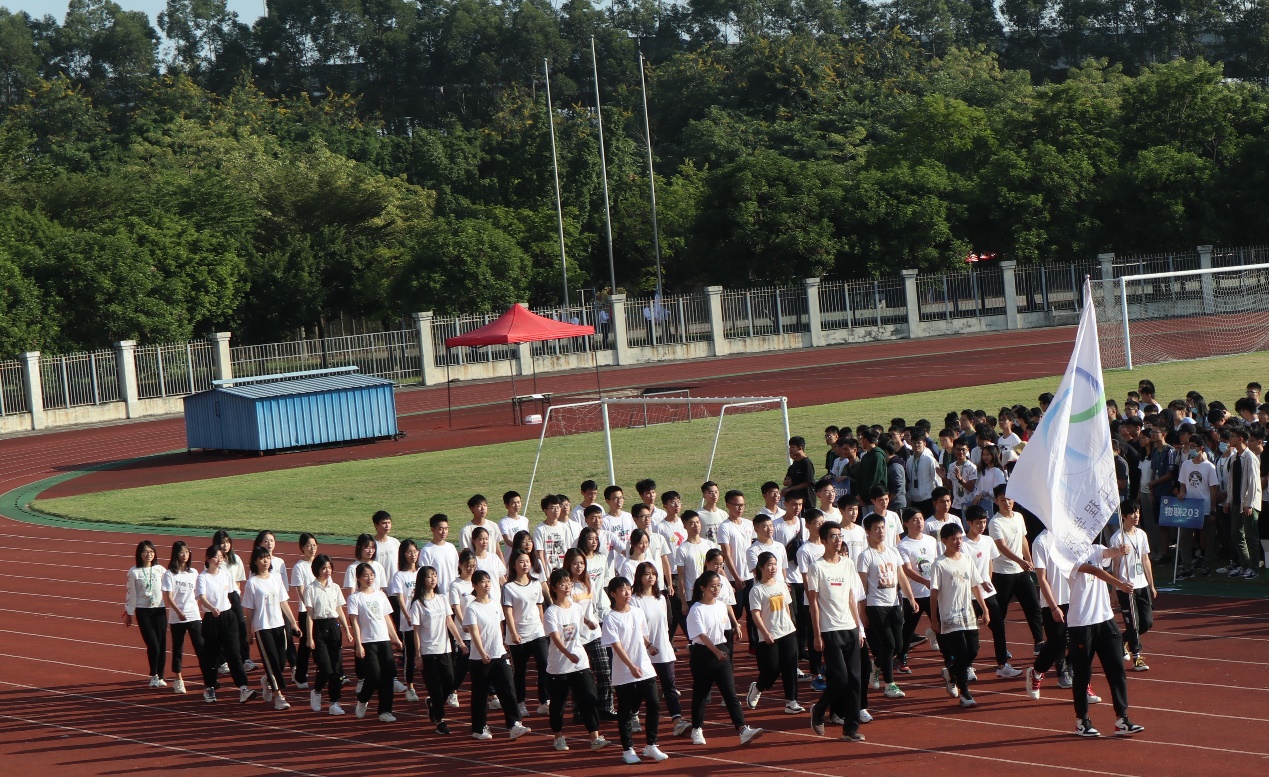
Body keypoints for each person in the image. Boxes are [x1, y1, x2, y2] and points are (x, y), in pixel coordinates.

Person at [1066, 538, 1143, 737]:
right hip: (1081, 622)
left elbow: (1108, 553)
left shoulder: (1095, 549)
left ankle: (1122, 719)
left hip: (1105, 619)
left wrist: (1119, 550)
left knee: (1117, 669)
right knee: (1083, 674)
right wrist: (1120, 585)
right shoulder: (1066, 554)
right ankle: (1082, 721)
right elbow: (1094, 571)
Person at [685, 570, 764, 747]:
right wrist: (717, 652)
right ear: (703, 588)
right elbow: (702, 635)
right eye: (712, 586)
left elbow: (724, 631)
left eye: (718, 586)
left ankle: (743, 729)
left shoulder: (721, 606)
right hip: (703, 654)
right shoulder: (696, 609)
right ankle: (697, 729)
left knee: (730, 694)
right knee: (701, 694)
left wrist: (727, 647)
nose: (716, 589)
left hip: (721, 651)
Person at [806, 521, 865, 742]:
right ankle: (819, 709)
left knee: (855, 679)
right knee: (839, 678)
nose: (838, 540)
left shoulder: (848, 564)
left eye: (840, 536)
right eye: (833, 536)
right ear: (823, 541)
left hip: (850, 627)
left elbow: (851, 598)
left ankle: (851, 728)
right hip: (830, 629)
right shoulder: (817, 567)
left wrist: (859, 627)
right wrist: (817, 634)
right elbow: (813, 603)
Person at [543, 568, 610, 752]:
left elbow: (581, 617)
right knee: (558, 704)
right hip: (559, 666)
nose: (567, 587)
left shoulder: (576, 607)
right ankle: (558, 736)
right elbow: (556, 638)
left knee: (589, 698)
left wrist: (589, 622)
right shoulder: (551, 612)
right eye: (562, 584)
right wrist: (568, 654)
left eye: (568, 583)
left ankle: (595, 737)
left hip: (580, 662)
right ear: (554, 588)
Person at [603, 576, 668, 764]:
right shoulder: (610, 618)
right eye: (622, 590)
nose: (627, 593)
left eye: (628, 589)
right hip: (624, 671)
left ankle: (651, 745)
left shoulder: (638, 612)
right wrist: (631, 666)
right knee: (626, 710)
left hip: (644, 666)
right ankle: (628, 749)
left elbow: (642, 634)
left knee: (654, 704)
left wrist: (649, 645)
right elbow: (616, 646)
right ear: (613, 594)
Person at [465, 569, 532, 740]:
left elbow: (500, 627)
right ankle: (479, 728)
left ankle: (514, 724)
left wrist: (503, 646)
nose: (487, 584)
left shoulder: (495, 604)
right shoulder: (472, 608)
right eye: (483, 581)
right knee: (480, 694)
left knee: (508, 688)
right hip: (479, 659)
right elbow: (474, 633)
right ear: (475, 585)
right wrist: (482, 652)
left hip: (499, 654)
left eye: (488, 581)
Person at [856, 513, 917, 700]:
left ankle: (876, 665)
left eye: (882, 527)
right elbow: (862, 587)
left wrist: (911, 598)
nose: (881, 531)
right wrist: (863, 612)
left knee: (898, 645)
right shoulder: (865, 556)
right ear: (868, 532)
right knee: (889, 644)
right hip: (876, 605)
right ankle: (889, 684)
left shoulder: (893, 552)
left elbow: (901, 576)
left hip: (894, 603)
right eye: (876, 528)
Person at [929, 523, 990, 707]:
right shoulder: (939, 564)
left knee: (973, 649)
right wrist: (934, 618)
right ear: (944, 541)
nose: (958, 542)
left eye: (960, 538)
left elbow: (975, 585)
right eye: (954, 539)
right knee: (961, 653)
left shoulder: (967, 559)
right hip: (950, 616)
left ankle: (951, 672)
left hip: (968, 614)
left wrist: (984, 608)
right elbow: (934, 593)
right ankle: (965, 693)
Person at [987, 486, 1045, 675]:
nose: (1007, 502)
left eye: (1009, 499)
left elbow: (1023, 540)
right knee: (999, 615)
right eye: (1002, 499)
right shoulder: (995, 522)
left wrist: (1028, 559)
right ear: (996, 501)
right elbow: (1001, 547)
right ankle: (1001, 650)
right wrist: (1020, 560)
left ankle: (1039, 642)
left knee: (1033, 606)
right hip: (1002, 574)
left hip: (1021, 572)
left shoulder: (1019, 517)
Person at [632, 561, 689, 736]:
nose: (651, 577)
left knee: (669, 685)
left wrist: (666, 644)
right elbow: (636, 628)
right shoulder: (634, 600)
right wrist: (647, 645)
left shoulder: (661, 598)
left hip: (663, 647)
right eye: (647, 574)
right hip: (644, 649)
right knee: (641, 686)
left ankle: (677, 721)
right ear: (639, 577)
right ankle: (633, 714)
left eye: (653, 574)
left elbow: (665, 624)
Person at [194, 544, 255, 704]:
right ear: (208, 558)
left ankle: (243, 688)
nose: (219, 560)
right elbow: (202, 597)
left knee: (234, 654)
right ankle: (210, 687)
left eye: (221, 557)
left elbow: (232, 595)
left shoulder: (226, 574)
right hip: (212, 618)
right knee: (212, 656)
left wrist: (238, 616)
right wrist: (211, 608)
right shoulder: (202, 577)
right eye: (216, 557)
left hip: (228, 617)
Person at [241, 545, 299, 711]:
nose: (265, 561)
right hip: (263, 627)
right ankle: (278, 696)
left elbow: (283, 602)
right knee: (271, 662)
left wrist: (293, 622)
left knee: (280, 662)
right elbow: (249, 610)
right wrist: (249, 632)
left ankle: (267, 680)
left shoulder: (276, 578)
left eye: (267, 557)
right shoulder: (252, 583)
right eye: (261, 558)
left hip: (279, 624)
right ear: (255, 561)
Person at [411, 565, 466, 733]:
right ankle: (440, 721)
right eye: (429, 576)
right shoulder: (418, 604)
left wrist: (460, 642)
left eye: (435, 575)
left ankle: (433, 704)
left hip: (445, 649)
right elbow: (416, 631)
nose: (433, 579)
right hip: (428, 652)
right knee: (435, 688)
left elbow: (449, 621)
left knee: (450, 683)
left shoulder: (442, 598)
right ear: (422, 580)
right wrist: (418, 655)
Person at [346, 562, 403, 722]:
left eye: (372, 575)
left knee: (388, 676)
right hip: (368, 641)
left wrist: (395, 638)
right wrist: (358, 644)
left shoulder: (380, 595)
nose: (369, 578)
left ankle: (385, 711)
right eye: (365, 575)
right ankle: (363, 698)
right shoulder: (354, 598)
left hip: (383, 639)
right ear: (358, 578)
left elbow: (386, 618)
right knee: (374, 676)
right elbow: (355, 622)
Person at [747, 551, 802, 713]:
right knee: (772, 669)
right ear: (761, 567)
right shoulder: (756, 590)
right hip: (769, 635)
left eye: (775, 564)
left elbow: (787, 607)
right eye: (769, 565)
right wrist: (765, 633)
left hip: (787, 631)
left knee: (790, 667)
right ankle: (758, 687)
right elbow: (755, 614)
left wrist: (790, 624)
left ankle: (791, 702)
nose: (773, 568)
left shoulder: (781, 585)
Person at [1024, 529, 1073, 699]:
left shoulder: (1071, 536)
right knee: (1057, 642)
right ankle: (1037, 671)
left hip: (1074, 597)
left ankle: (1073, 673)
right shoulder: (1041, 541)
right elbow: (1041, 578)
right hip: (1054, 601)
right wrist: (1053, 607)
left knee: (1081, 640)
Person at [568, 544, 614, 719]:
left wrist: (592, 621)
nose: (579, 567)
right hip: (574, 633)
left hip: (593, 632)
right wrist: (584, 622)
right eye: (575, 563)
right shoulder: (566, 586)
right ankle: (580, 710)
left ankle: (606, 707)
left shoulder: (589, 582)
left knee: (604, 670)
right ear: (568, 565)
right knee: (579, 673)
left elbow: (591, 607)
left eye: (581, 563)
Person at [503, 549, 550, 719]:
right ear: (514, 565)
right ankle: (520, 702)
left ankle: (544, 701)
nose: (525, 565)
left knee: (545, 664)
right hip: (519, 635)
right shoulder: (509, 587)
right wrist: (513, 633)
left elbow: (539, 607)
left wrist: (543, 627)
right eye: (521, 562)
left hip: (536, 631)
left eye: (527, 561)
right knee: (520, 671)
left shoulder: (536, 584)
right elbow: (508, 613)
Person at [304, 553, 352, 715]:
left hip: (333, 627)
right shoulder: (311, 589)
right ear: (317, 569)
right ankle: (317, 691)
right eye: (324, 568)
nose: (327, 571)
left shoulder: (335, 587)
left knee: (336, 668)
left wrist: (347, 629)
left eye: (329, 567)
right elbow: (310, 615)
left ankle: (334, 703)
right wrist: (310, 637)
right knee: (325, 668)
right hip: (319, 627)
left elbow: (339, 610)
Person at [1110, 502, 1156, 671]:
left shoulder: (1142, 535)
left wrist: (1151, 585)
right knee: (1133, 624)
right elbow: (1115, 566)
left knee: (1147, 622)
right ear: (1123, 516)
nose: (1136, 516)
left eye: (1137, 512)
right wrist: (1114, 590)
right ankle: (1137, 657)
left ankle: (1122, 640)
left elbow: (1145, 560)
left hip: (1142, 585)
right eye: (1132, 513)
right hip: (1126, 586)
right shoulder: (1117, 538)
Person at [162, 541, 205, 696]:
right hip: (177, 617)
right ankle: (178, 679)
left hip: (193, 615)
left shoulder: (193, 572)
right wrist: (178, 611)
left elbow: (198, 593)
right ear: (175, 554)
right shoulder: (169, 574)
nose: (185, 555)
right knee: (178, 648)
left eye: (187, 551)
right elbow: (169, 596)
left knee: (201, 646)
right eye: (181, 552)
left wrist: (193, 607)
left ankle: (208, 677)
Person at [125, 539, 168, 688]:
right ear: (139, 554)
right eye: (145, 551)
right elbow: (131, 593)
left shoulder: (160, 569)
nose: (148, 554)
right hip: (143, 611)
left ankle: (161, 676)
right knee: (153, 644)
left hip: (160, 610)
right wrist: (129, 612)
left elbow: (170, 586)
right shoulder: (134, 572)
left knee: (161, 644)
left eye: (151, 551)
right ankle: (154, 674)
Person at [897, 508, 937, 669]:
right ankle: (901, 658)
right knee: (908, 629)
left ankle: (950, 657)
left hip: (932, 593)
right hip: (913, 595)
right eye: (914, 519)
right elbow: (906, 569)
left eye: (921, 518)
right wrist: (924, 581)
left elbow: (937, 562)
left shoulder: (931, 540)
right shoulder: (903, 545)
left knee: (941, 625)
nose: (919, 522)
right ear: (906, 523)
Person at [212, 530, 255, 672]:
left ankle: (246, 659)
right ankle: (222, 662)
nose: (225, 545)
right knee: (223, 630)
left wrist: (236, 594)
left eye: (227, 542)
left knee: (241, 626)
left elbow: (238, 581)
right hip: (220, 598)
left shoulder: (236, 559)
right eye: (222, 543)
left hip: (234, 596)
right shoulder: (214, 561)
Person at [796, 509, 827, 688]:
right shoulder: (804, 550)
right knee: (815, 637)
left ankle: (826, 668)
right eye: (817, 523)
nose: (820, 526)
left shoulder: (827, 544)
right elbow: (806, 579)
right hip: (814, 601)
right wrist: (812, 601)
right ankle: (816, 675)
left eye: (822, 522)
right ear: (807, 525)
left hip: (830, 600)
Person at [1227, 425, 1262, 579]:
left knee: (1251, 536)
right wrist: (1229, 500)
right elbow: (1231, 481)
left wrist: (1249, 503)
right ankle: (1244, 564)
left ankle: (1254, 567)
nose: (1230, 439)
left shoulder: (1250, 457)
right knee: (1236, 534)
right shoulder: (1234, 457)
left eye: (1232, 436)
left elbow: (1253, 482)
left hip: (1248, 504)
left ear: (1240, 439)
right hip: (1236, 502)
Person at [388, 540, 421, 701]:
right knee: (410, 654)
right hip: (409, 622)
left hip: (424, 621)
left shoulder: (422, 572)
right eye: (409, 552)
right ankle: (410, 687)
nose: (413, 555)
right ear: (403, 554)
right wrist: (407, 616)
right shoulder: (399, 575)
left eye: (415, 551)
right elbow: (400, 599)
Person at [290, 533, 319, 690]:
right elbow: (301, 591)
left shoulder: (320, 563)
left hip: (321, 611)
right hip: (306, 611)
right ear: (302, 547)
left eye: (314, 545)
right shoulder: (299, 567)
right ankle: (300, 675)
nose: (312, 548)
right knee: (306, 644)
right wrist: (309, 606)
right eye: (308, 545)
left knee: (322, 642)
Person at [449, 549, 478, 706]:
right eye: (468, 566)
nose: (471, 569)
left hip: (480, 632)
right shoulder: (456, 585)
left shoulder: (477, 582)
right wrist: (464, 624)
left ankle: (492, 695)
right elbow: (456, 608)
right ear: (460, 565)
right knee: (462, 665)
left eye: (473, 566)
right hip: (464, 633)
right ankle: (452, 691)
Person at [534, 494, 577, 574]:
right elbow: (540, 554)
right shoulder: (540, 529)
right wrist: (545, 573)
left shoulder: (564, 527)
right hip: (548, 572)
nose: (556, 510)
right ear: (545, 510)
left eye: (558, 507)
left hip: (564, 571)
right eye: (553, 508)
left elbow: (569, 550)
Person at [419, 514, 460, 596]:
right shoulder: (427, 551)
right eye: (440, 529)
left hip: (454, 594)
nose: (444, 532)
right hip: (437, 596)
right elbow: (425, 576)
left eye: (446, 529)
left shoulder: (451, 547)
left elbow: (456, 571)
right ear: (432, 529)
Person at [783, 436, 816, 511]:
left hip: (807, 502)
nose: (790, 450)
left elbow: (808, 482)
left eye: (792, 447)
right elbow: (787, 481)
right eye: (790, 447)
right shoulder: (795, 464)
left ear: (800, 448)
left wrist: (791, 488)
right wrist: (787, 488)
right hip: (796, 501)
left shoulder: (806, 463)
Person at [371, 510, 401, 579]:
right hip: (378, 583)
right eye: (384, 523)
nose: (387, 526)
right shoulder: (371, 545)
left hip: (394, 583)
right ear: (376, 525)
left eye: (389, 523)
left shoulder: (395, 542)